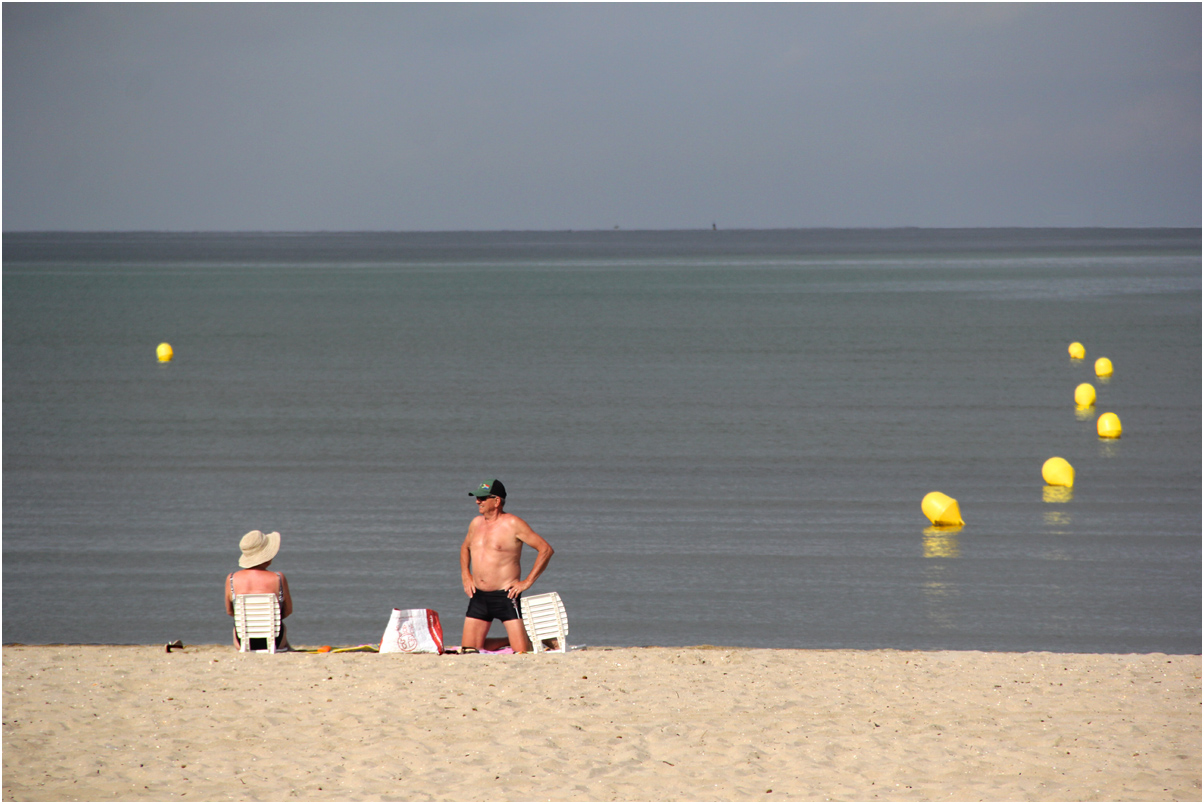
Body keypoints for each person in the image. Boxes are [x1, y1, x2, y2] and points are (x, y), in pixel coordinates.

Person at [460, 479, 554, 654]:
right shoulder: (476, 523)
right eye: (477, 498)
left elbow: (546, 550)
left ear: (496, 501)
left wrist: (526, 582)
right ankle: (508, 641)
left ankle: (526, 641)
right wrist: (466, 574)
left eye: (482, 498)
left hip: (506, 596)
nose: (477, 501)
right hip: (478, 596)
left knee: (521, 652)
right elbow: (465, 547)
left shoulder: (513, 524)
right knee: (468, 650)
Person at [225, 529, 293, 650]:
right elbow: (288, 611)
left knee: (237, 627)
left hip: (243, 641)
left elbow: (230, 612)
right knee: (281, 626)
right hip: (275, 640)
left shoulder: (232, 578)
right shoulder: (278, 578)